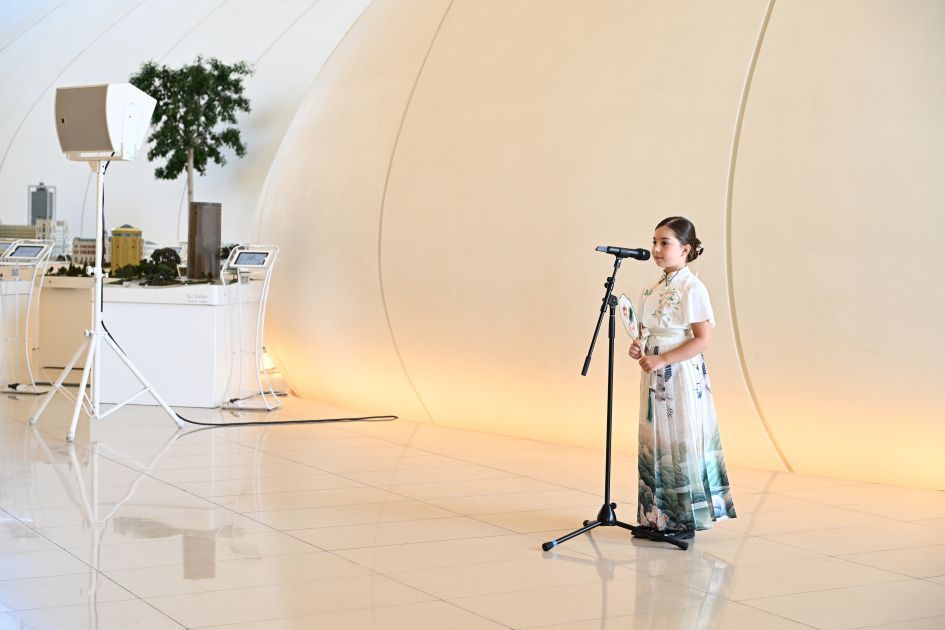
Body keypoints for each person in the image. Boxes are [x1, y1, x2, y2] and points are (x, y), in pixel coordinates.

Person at [627, 216, 736, 541]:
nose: (656, 249)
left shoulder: (692, 288)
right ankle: (656, 517)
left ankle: (683, 520)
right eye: (654, 242)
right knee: (655, 440)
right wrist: (640, 347)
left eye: (665, 243)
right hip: (654, 371)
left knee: (680, 438)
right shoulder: (652, 289)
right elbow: (647, 331)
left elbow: (702, 339)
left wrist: (663, 358)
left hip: (679, 372)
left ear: (686, 249)